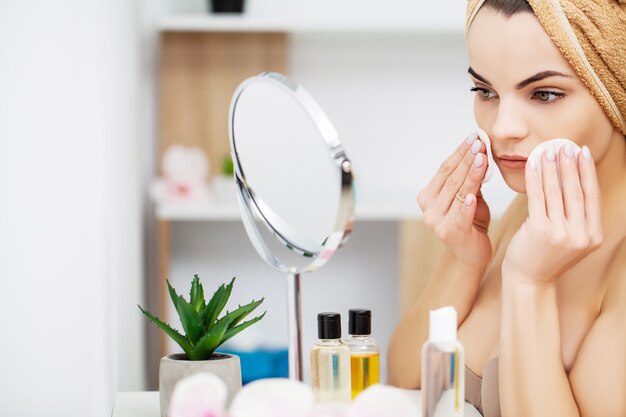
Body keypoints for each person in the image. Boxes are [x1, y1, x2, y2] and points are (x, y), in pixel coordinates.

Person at [387, 1, 626, 416]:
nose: (501, 128)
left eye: (544, 94)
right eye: (486, 92)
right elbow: (403, 378)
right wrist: (462, 259)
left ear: (614, 90)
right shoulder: (524, 210)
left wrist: (529, 284)